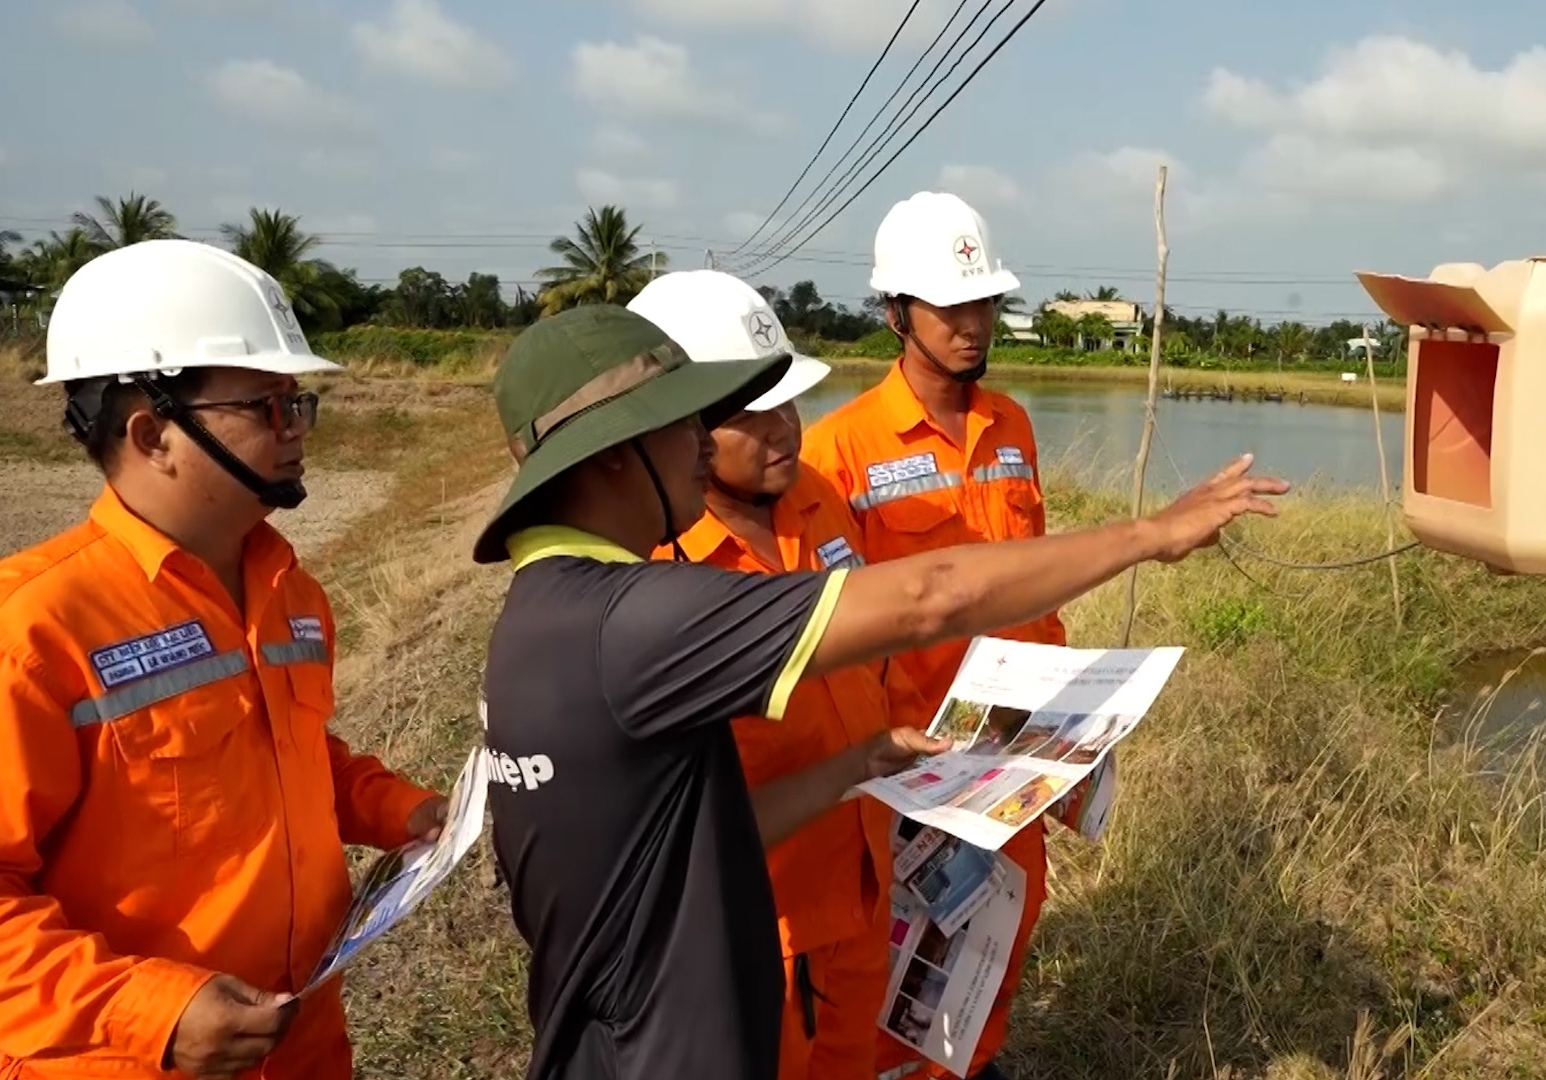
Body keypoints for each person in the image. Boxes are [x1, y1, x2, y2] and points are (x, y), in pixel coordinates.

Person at [471, 302, 1287, 1080]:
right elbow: (930, 596)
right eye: (685, 420)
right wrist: (1152, 533)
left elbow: (701, 838)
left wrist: (854, 765)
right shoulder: (634, 623)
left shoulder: (546, 619)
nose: (699, 442)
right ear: (614, 450)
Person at [0, 239, 450, 1080]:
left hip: (303, 1051)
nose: (297, 428)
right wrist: (155, 1012)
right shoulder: (25, 631)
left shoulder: (289, 591)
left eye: (298, 402)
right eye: (267, 407)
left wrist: (399, 811)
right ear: (153, 434)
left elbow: (292, 760)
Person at [628, 269, 933, 1080]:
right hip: (759, 920)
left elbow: (878, 660)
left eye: (787, 401)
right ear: (678, 428)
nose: (783, 430)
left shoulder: (821, 500)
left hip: (863, 882)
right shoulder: (656, 566)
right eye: (750, 415)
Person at [796, 190, 1065, 1079]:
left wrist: (1069, 729)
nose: (970, 323)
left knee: (1004, 927)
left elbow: (1036, 592)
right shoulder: (838, 451)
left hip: (1014, 755)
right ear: (894, 314)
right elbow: (831, 635)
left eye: (982, 301)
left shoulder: (1013, 428)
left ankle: (976, 1061)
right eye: (947, 306)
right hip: (908, 772)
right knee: (900, 967)